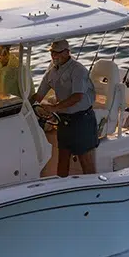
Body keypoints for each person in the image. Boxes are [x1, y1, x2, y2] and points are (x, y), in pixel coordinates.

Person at [32, 39, 97, 177]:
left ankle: (93, 189)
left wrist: (54, 107)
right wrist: (22, 106)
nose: (54, 56)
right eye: (52, 53)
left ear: (67, 52)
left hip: (81, 119)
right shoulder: (51, 72)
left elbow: (77, 96)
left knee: (85, 158)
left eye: (58, 53)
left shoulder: (78, 70)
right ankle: (61, 187)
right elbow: (38, 95)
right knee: (63, 157)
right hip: (63, 120)